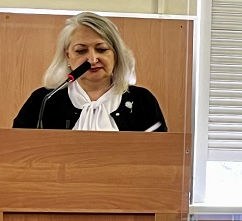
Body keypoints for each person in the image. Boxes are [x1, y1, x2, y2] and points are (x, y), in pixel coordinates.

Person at [13, 11, 167, 132]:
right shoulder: (44, 100)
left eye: (102, 49)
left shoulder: (142, 101)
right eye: (81, 51)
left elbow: (159, 155)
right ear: (68, 56)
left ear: (116, 54)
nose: (92, 60)